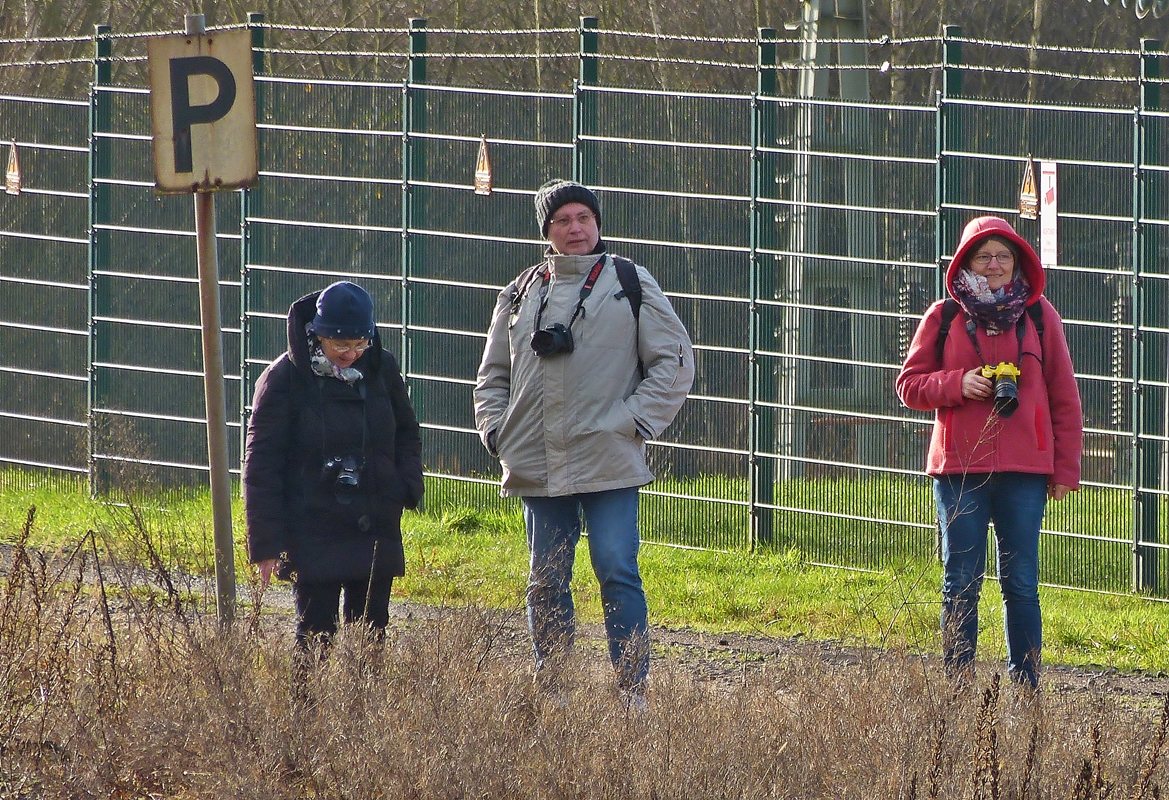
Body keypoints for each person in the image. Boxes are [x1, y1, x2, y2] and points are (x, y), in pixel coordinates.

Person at [474, 179, 695, 708]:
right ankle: (553, 692)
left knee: (617, 568)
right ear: (546, 231)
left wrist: (632, 422)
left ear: (597, 224)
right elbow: (491, 377)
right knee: (546, 578)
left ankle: (631, 693)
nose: (575, 228)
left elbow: (677, 361)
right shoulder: (519, 293)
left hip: (610, 460)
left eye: (583, 218)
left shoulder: (629, 282)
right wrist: (497, 432)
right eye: (563, 220)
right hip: (536, 462)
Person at [896, 215, 1083, 689]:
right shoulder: (943, 317)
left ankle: (1027, 689)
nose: (995, 265)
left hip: (1025, 470)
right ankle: (957, 690)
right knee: (961, 580)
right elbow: (909, 385)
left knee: (1021, 583)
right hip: (959, 469)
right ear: (966, 261)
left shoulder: (1041, 316)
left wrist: (1064, 470)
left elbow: (1065, 398)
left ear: (1017, 263)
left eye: (1004, 256)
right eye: (984, 256)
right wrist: (956, 384)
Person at [243, 280, 424, 648]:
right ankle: (309, 707)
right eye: (340, 344)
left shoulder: (382, 369)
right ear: (317, 334)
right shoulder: (284, 379)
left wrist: (404, 486)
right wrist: (265, 544)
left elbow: (407, 432)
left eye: (361, 343)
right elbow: (261, 464)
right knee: (315, 636)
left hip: (374, 523)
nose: (351, 353)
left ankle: (366, 708)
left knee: (370, 638)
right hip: (313, 526)